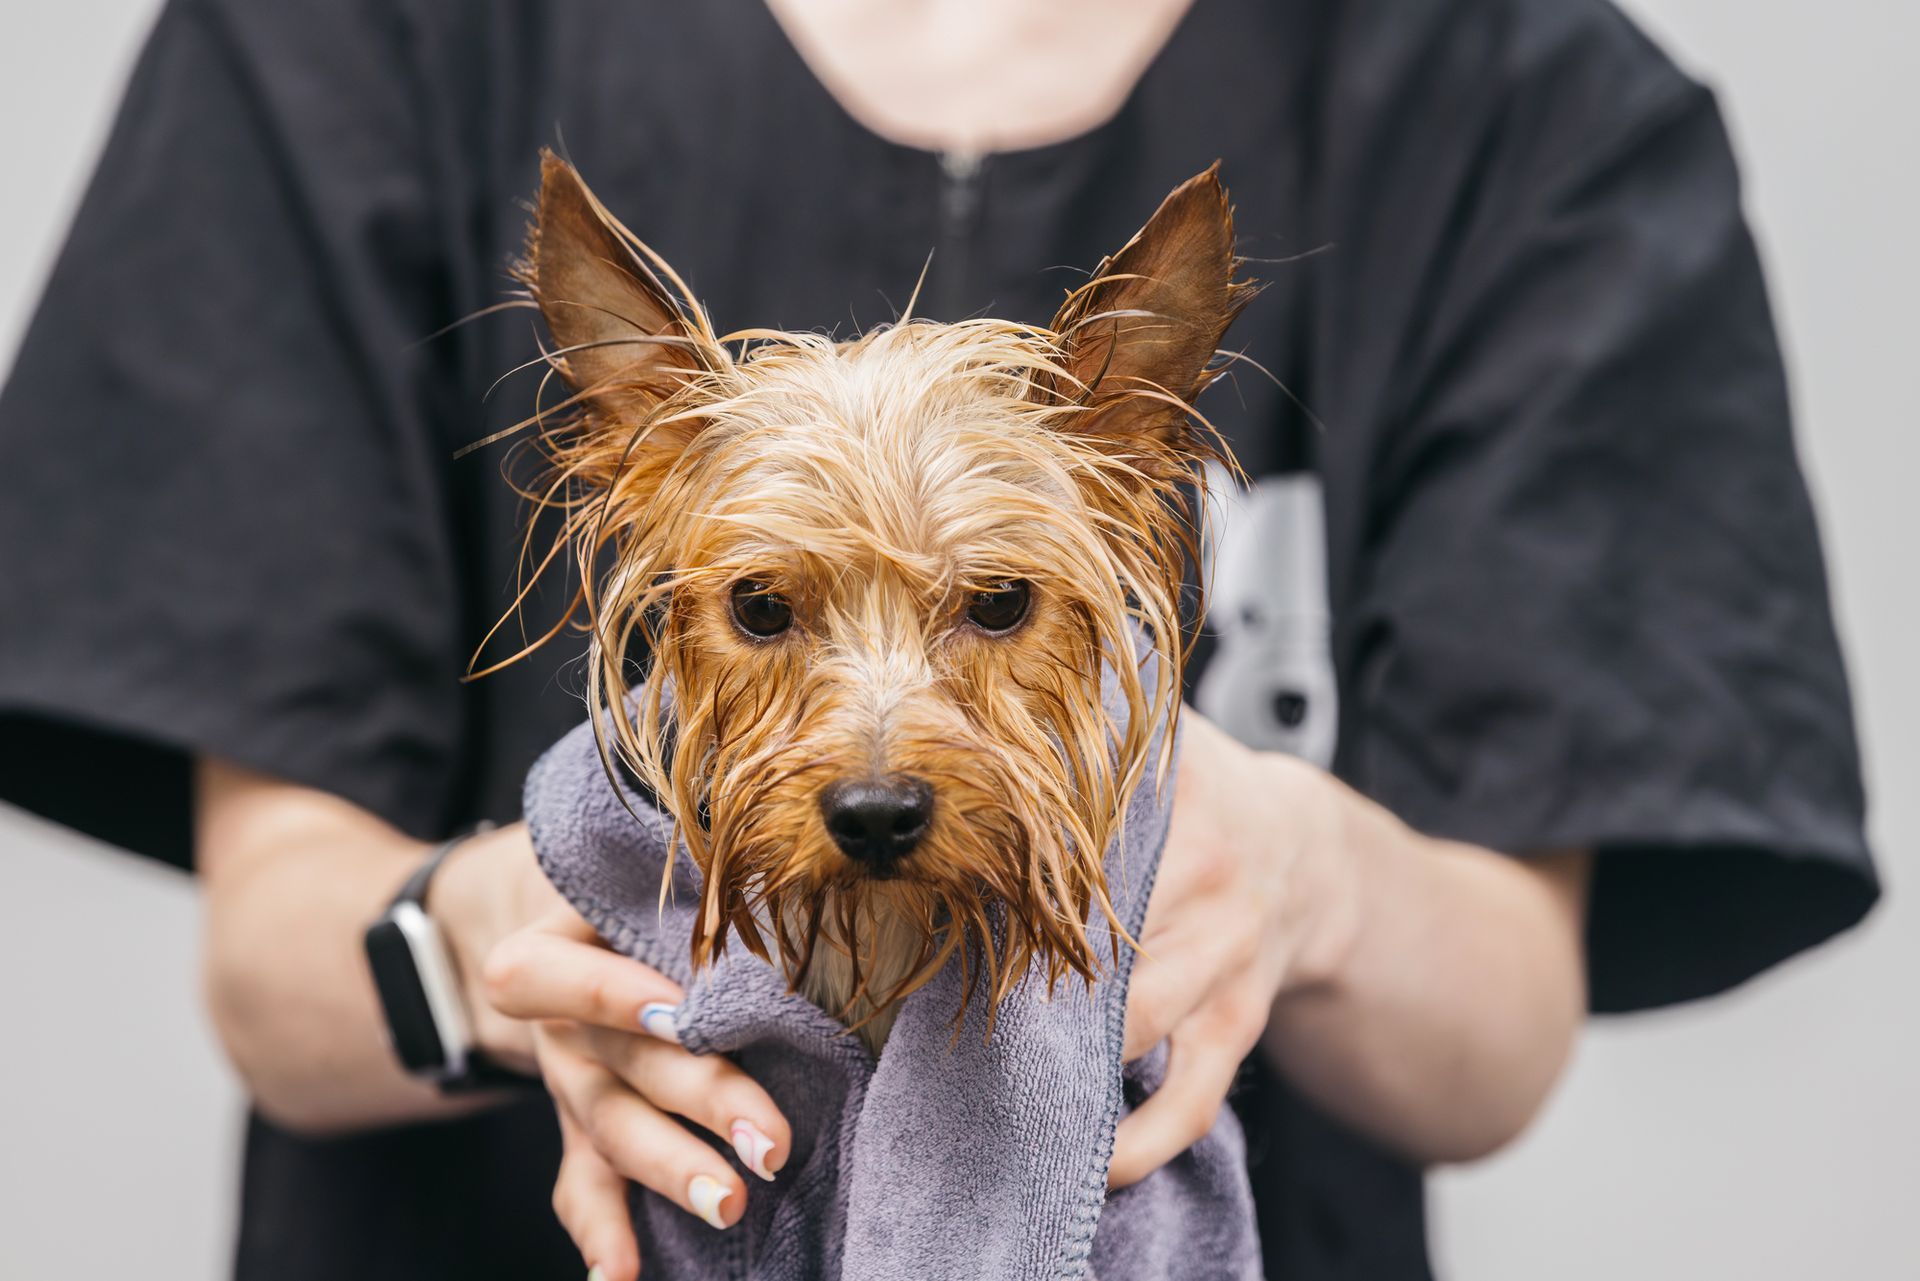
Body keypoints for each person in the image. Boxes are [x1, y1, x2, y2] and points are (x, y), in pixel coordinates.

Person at [0, 0, 1878, 1278]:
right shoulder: (358, 37)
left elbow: (1496, 1042)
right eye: (764, 610)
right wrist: (487, 946)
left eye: (995, 607)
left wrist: (1311, 873)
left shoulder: (1516, 98)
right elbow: (270, 963)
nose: (884, 755)